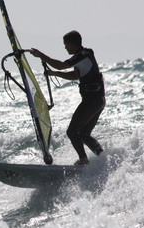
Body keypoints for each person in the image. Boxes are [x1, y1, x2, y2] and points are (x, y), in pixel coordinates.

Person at [27, 30, 105, 165]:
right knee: (83, 134)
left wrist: (41, 55)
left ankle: (84, 161)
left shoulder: (82, 55)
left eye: (66, 44)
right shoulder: (86, 56)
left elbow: (61, 65)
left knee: (72, 132)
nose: (65, 47)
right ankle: (103, 158)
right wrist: (54, 73)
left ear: (72, 43)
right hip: (98, 101)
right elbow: (75, 75)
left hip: (92, 101)